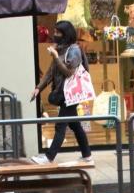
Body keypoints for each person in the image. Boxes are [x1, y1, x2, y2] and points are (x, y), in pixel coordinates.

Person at [31, 20, 92, 164]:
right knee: (75, 125)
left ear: (66, 34)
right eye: (55, 32)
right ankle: (87, 155)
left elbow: (68, 72)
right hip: (64, 93)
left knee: (60, 125)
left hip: (71, 94)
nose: (54, 35)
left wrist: (54, 55)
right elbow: (50, 72)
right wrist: (38, 88)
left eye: (58, 32)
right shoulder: (60, 48)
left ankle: (49, 157)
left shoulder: (74, 50)